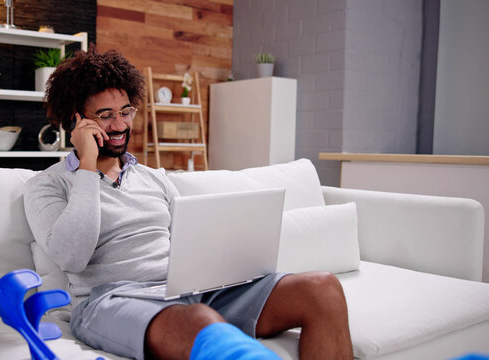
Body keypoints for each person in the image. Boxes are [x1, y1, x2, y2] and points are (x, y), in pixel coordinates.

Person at [24, 47, 353, 360]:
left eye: (126, 111)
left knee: (321, 287)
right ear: (77, 119)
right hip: (112, 301)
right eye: (106, 116)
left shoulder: (155, 178)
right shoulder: (48, 184)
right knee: (197, 320)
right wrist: (87, 165)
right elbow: (73, 256)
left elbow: (193, 244)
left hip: (189, 291)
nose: (121, 125)